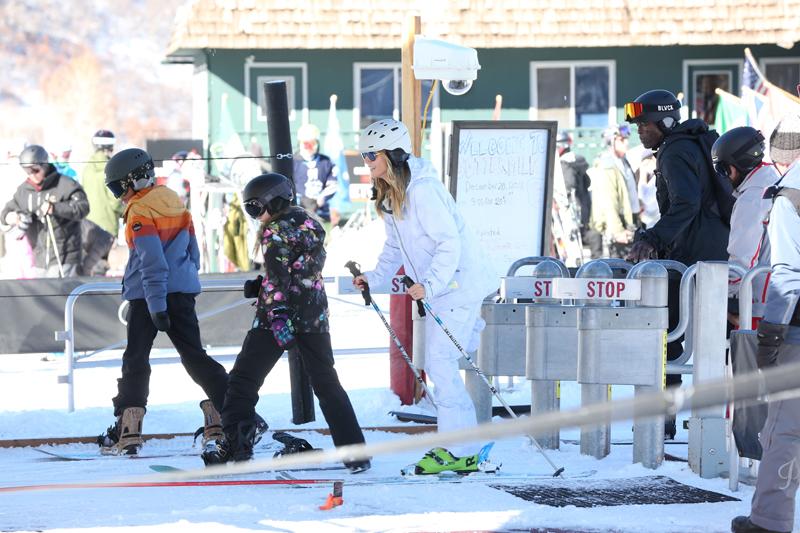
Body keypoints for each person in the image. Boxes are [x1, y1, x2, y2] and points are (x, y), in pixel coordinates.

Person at [352, 119, 496, 474]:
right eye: (364, 154)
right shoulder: (391, 192)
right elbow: (394, 247)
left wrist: (430, 283)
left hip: (458, 285)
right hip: (441, 290)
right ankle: (459, 446)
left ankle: (459, 447)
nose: (367, 161)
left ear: (393, 153)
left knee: (440, 365)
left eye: (372, 154)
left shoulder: (423, 190)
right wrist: (374, 277)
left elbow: (450, 243)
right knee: (439, 366)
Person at [201, 172, 369, 472]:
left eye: (255, 208)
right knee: (327, 383)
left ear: (273, 200)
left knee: (243, 381)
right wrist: (263, 284)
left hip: (277, 317)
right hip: (313, 315)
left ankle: (237, 448)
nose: (255, 216)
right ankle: (355, 453)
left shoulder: (274, 230)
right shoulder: (310, 225)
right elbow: (298, 271)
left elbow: (280, 277)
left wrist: (275, 311)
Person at [96, 147, 235, 455]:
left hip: (148, 296)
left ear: (136, 181)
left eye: (120, 187)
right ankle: (228, 414)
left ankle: (128, 426)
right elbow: (193, 253)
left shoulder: (140, 211)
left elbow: (152, 261)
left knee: (136, 360)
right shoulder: (176, 202)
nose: (120, 195)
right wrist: (183, 283)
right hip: (181, 293)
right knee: (194, 355)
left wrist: (157, 304)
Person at [624, 89, 730, 439]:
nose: (640, 129)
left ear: (666, 121)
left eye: (645, 123)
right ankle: (720, 416)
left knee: (663, 335)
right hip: (716, 254)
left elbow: (685, 205)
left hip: (691, 257)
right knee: (721, 338)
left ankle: (663, 419)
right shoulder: (693, 143)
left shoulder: (674, 152)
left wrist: (652, 238)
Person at [731, 115, 800, 533]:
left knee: (785, 431)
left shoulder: (790, 194)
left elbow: (789, 274)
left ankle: (769, 521)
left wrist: (770, 335)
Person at [711, 126, 780, 330]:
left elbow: (742, 258)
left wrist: (730, 300)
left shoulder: (752, 198)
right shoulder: (777, 183)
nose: (724, 177)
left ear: (733, 167)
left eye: (722, 169)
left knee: (750, 362)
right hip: (784, 298)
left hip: (760, 305)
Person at [0, 145, 89, 278]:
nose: (31, 174)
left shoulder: (65, 184)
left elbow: (83, 207)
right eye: (26, 170)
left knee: (60, 296)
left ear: (45, 165)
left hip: (65, 256)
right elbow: (6, 212)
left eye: (35, 170)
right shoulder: (24, 191)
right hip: (39, 258)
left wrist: (55, 208)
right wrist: (12, 217)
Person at [588, 124, 638, 258]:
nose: (626, 142)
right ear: (611, 142)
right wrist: (617, 231)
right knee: (621, 273)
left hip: (629, 224)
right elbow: (609, 201)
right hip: (618, 229)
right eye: (622, 140)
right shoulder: (607, 166)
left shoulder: (623, 162)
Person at [81, 129, 121, 276]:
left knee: (90, 265)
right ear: (110, 147)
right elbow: (115, 201)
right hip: (108, 225)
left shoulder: (86, 168)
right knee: (104, 267)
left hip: (89, 225)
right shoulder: (111, 169)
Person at [556, 130, 602, 259]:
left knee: (571, 258)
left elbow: (566, 188)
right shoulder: (578, 163)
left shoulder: (564, 165)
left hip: (571, 217)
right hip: (584, 216)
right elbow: (587, 182)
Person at [292, 124, 338, 227]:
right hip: (298, 212)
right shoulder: (292, 162)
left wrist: (321, 198)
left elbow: (333, 184)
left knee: (323, 239)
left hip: (321, 212)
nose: (309, 147)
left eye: (312, 143)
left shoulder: (326, 162)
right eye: (306, 144)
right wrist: (300, 200)